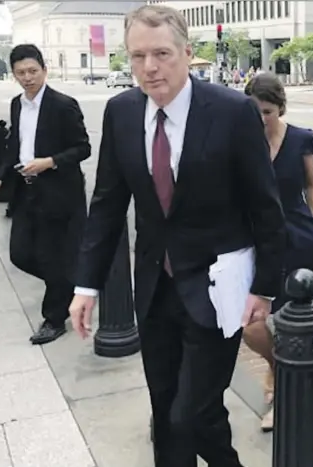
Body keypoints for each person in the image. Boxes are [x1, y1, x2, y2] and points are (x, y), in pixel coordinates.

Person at [68, 6, 285, 467]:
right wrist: (85, 286)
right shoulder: (121, 112)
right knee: (167, 414)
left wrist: (264, 287)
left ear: (187, 53)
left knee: (191, 412)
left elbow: (265, 208)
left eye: (162, 54)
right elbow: (107, 204)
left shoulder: (232, 112)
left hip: (216, 289)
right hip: (155, 289)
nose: (150, 67)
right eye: (138, 56)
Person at [242, 72, 313, 431]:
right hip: (254, 239)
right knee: (251, 325)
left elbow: (311, 185)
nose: (261, 118)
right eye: (255, 111)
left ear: (280, 108)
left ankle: (285, 399)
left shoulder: (300, 139)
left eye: (267, 111)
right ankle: (279, 366)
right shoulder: (241, 139)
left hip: (298, 235)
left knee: (294, 322)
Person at [0, 44, 90, 345]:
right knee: (20, 254)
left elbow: (82, 148)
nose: (27, 77)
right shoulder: (17, 104)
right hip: (26, 191)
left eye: (33, 71)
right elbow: (14, 147)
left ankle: (54, 318)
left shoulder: (64, 105)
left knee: (51, 255)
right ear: (14, 75)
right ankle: (70, 284)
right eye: (21, 73)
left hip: (59, 193)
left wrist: (49, 162)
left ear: (44, 70)